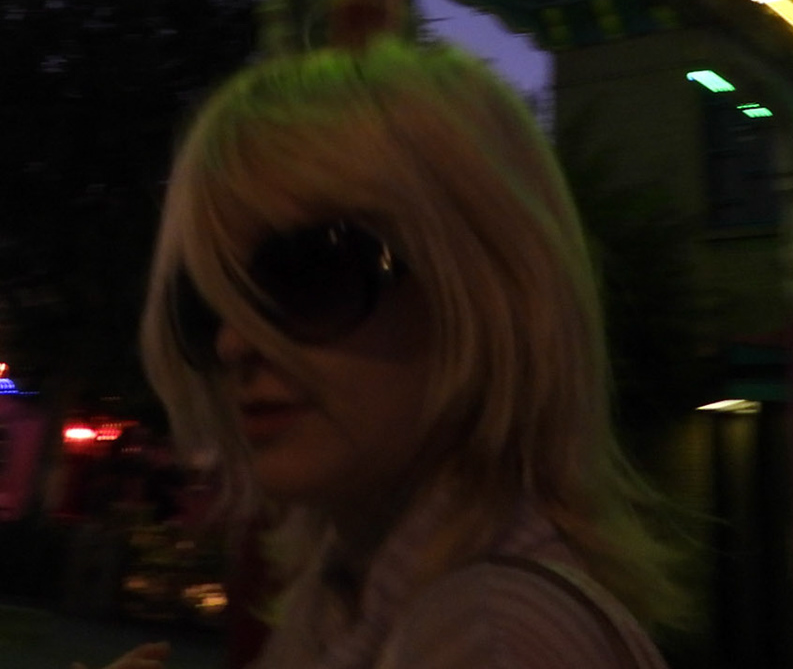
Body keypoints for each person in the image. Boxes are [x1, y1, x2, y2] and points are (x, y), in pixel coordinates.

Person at [127, 38, 681, 669]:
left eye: (309, 273)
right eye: (209, 297)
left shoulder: (486, 636)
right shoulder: (346, 598)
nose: (234, 340)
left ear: (485, 295)